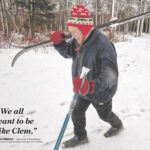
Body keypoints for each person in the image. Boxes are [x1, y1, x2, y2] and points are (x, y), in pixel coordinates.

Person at [50, 4, 123, 149]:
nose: (73, 36)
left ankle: (117, 124)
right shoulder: (78, 41)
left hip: (100, 91)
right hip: (82, 88)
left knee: (104, 114)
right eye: (71, 32)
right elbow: (67, 51)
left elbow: (111, 75)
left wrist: (91, 85)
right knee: (76, 113)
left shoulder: (103, 45)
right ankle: (81, 136)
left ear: (84, 29)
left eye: (75, 32)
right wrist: (59, 43)